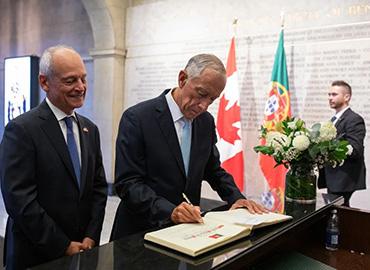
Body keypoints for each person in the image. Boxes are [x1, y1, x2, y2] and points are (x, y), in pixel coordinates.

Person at [110, 54, 266, 240]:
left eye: (212, 100)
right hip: (140, 232)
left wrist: (236, 198)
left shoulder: (205, 122)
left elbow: (213, 170)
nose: (204, 106)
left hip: (188, 233)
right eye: (201, 94)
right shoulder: (138, 118)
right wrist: (170, 211)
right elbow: (128, 183)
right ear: (183, 78)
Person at [0, 45, 108, 269]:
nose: (80, 87)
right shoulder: (22, 130)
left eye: (83, 79)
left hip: (82, 249)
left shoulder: (90, 129)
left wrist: (91, 236)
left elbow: (98, 189)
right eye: (70, 81)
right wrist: (62, 245)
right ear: (44, 82)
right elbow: (19, 200)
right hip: (35, 253)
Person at [318, 80, 366, 207]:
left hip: (344, 178)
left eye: (334, 94)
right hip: (333, 177)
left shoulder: (354, 119)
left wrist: (331, 146)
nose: (330, 98)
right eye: (329, 94)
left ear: (347, 97)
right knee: (336, 214)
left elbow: (356, 149)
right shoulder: (333, 120)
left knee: (339, 214)